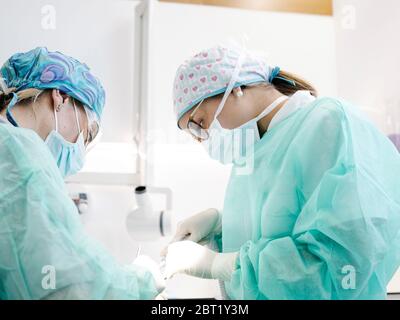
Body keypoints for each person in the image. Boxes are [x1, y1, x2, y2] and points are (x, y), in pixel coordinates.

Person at [163, 46, 400, 299]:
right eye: (196, 135)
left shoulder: (327, 123)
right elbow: (279, 225)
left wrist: (214, 264)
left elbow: (340, 260)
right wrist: (221, 224)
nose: (206, 138)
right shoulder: (253, 153)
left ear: (234, 88)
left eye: (200, 123)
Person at [0, 47, 164, 299]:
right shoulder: (21, 155)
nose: (79, 152)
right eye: (85, 135)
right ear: (61, 97)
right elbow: (72, 284)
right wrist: (141, 280)